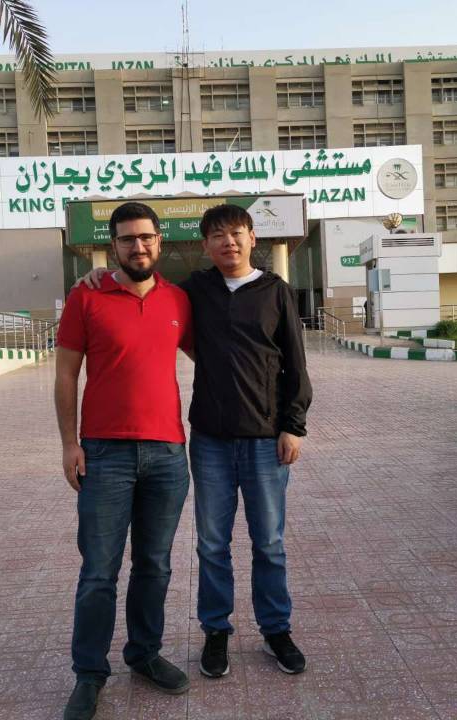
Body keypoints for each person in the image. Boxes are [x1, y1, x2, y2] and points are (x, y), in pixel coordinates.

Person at [78, 204, 312, 680]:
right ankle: (216, 631)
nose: (229, 242)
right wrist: (97, 274)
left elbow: (296, 364)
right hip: (210, 442)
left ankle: (276, 630)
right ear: (205, 245)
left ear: (253, 238)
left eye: (237, 233)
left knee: (269, 542)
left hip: (266, 440)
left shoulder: (276, 291)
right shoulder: (193, 292)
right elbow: (143, 285)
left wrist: (294, 425)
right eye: (218, 236)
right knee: (212, 544)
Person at [54, 201, 193, 720]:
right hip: (104, 454)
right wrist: (69, 444)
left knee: (155, 565)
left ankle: (144, 653)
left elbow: (217, 353)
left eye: (146, 237)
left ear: (160, 241)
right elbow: (66, 374)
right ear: (113, 245)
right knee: (99, 571)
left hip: (168, 454)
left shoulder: (179, 299)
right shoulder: (86, 297)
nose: (139, 246)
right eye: (128, 239)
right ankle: (89, 673)